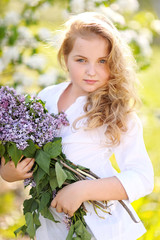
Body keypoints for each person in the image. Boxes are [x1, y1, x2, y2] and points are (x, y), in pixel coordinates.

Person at [0, 12, 154, 240]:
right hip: (51, 223)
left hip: (99, 228)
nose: (91, 71)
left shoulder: (116, 112)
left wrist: (82, 190)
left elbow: (142, 178)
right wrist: (9, 172)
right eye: (81, 60)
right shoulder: (47, 96)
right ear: (65, 57)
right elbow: (27, 151)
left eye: (102, 61)